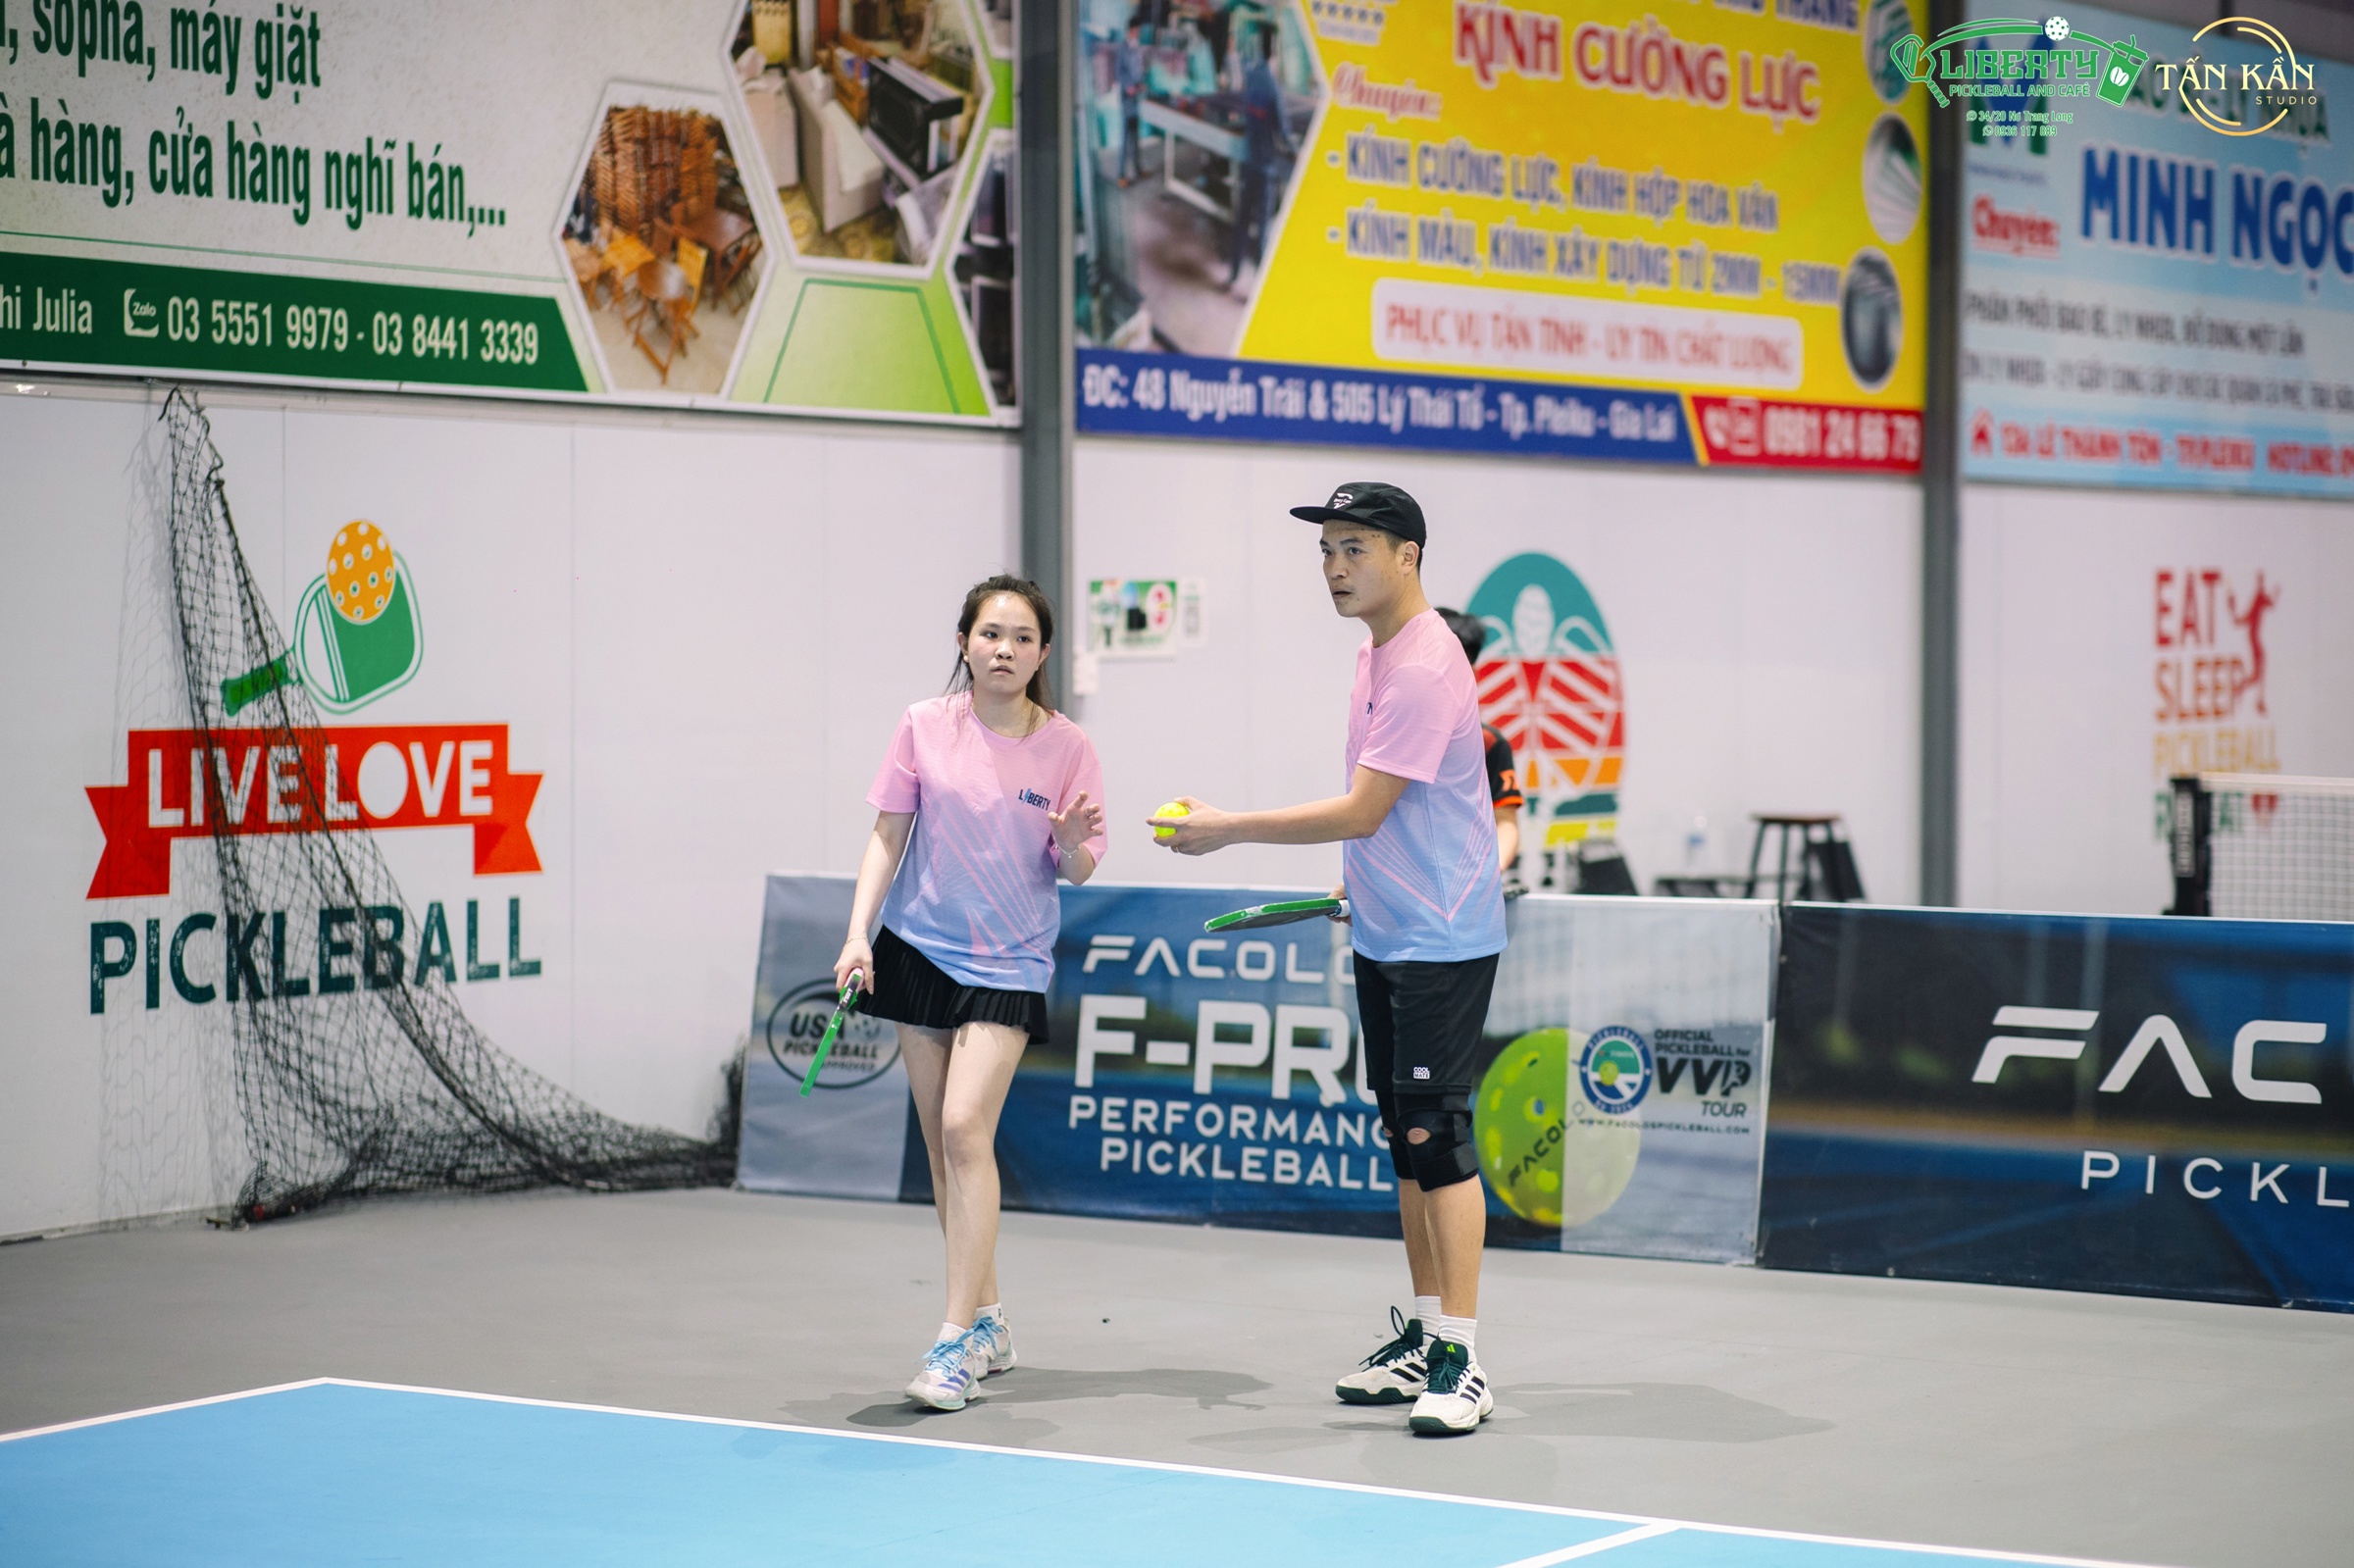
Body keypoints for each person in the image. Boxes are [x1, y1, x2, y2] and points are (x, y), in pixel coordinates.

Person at [1149, 482, 1507, 1436]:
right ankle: (1427, 1336)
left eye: (1355, 548)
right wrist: (1363, 888)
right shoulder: (1374, 654)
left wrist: (1228, 827)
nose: (1336, 567)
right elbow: (1391, 814)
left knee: (1437, 1138)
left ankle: (1464, 1357)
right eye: (1327, 550)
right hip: (1387, 927)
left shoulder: (1424, 664)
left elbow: (1363, 809)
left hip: (1440, 937)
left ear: (1408, 556)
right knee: (1405, 1140)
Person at [836, 575, 1107, 1412]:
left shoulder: (1068, 746)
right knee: (942, 1146)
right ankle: (989, 1319)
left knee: (964, 1126)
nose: (1005, 649)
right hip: (918, 949)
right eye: (991, 633)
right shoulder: (924, 724)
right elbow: (889, 834)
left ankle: (953, 1343)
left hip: (1008, 962)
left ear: (1042, 653)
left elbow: (1079, 866)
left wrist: (1070, 844)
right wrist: (857, 934)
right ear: (965, 641)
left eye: (1022, 638)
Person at [1437, 608, 1524, 884]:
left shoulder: (1488, 743)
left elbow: (1506, 823)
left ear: (1470, 673)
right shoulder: (1392, 735)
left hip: (1462, 885)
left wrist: (1487, 875)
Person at [1226, 28, 1296, 292]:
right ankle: (1258, 288)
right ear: (1274, 52)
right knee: (1263, 228)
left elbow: (1249, 112)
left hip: (1249, 161)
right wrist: (1296, 150)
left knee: (1242, 220)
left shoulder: (1252, 77)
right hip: (1266, 166)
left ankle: (1233, 274)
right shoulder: (1273, 87)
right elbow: (1283, 131)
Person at [1114, 22, 1148, 186]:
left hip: (1136, 97)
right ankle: (1121, 175)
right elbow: (1119, 71)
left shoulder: (1137, 48)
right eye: (1135, 31)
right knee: (1125, 137)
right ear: (1130, 31)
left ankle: (1137, 169)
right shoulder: (1123, 48)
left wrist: (1140, 84)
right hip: (1127, 98)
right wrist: (1128, 86)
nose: (1137, 33)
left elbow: (1138, 71)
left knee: (1135, 136)